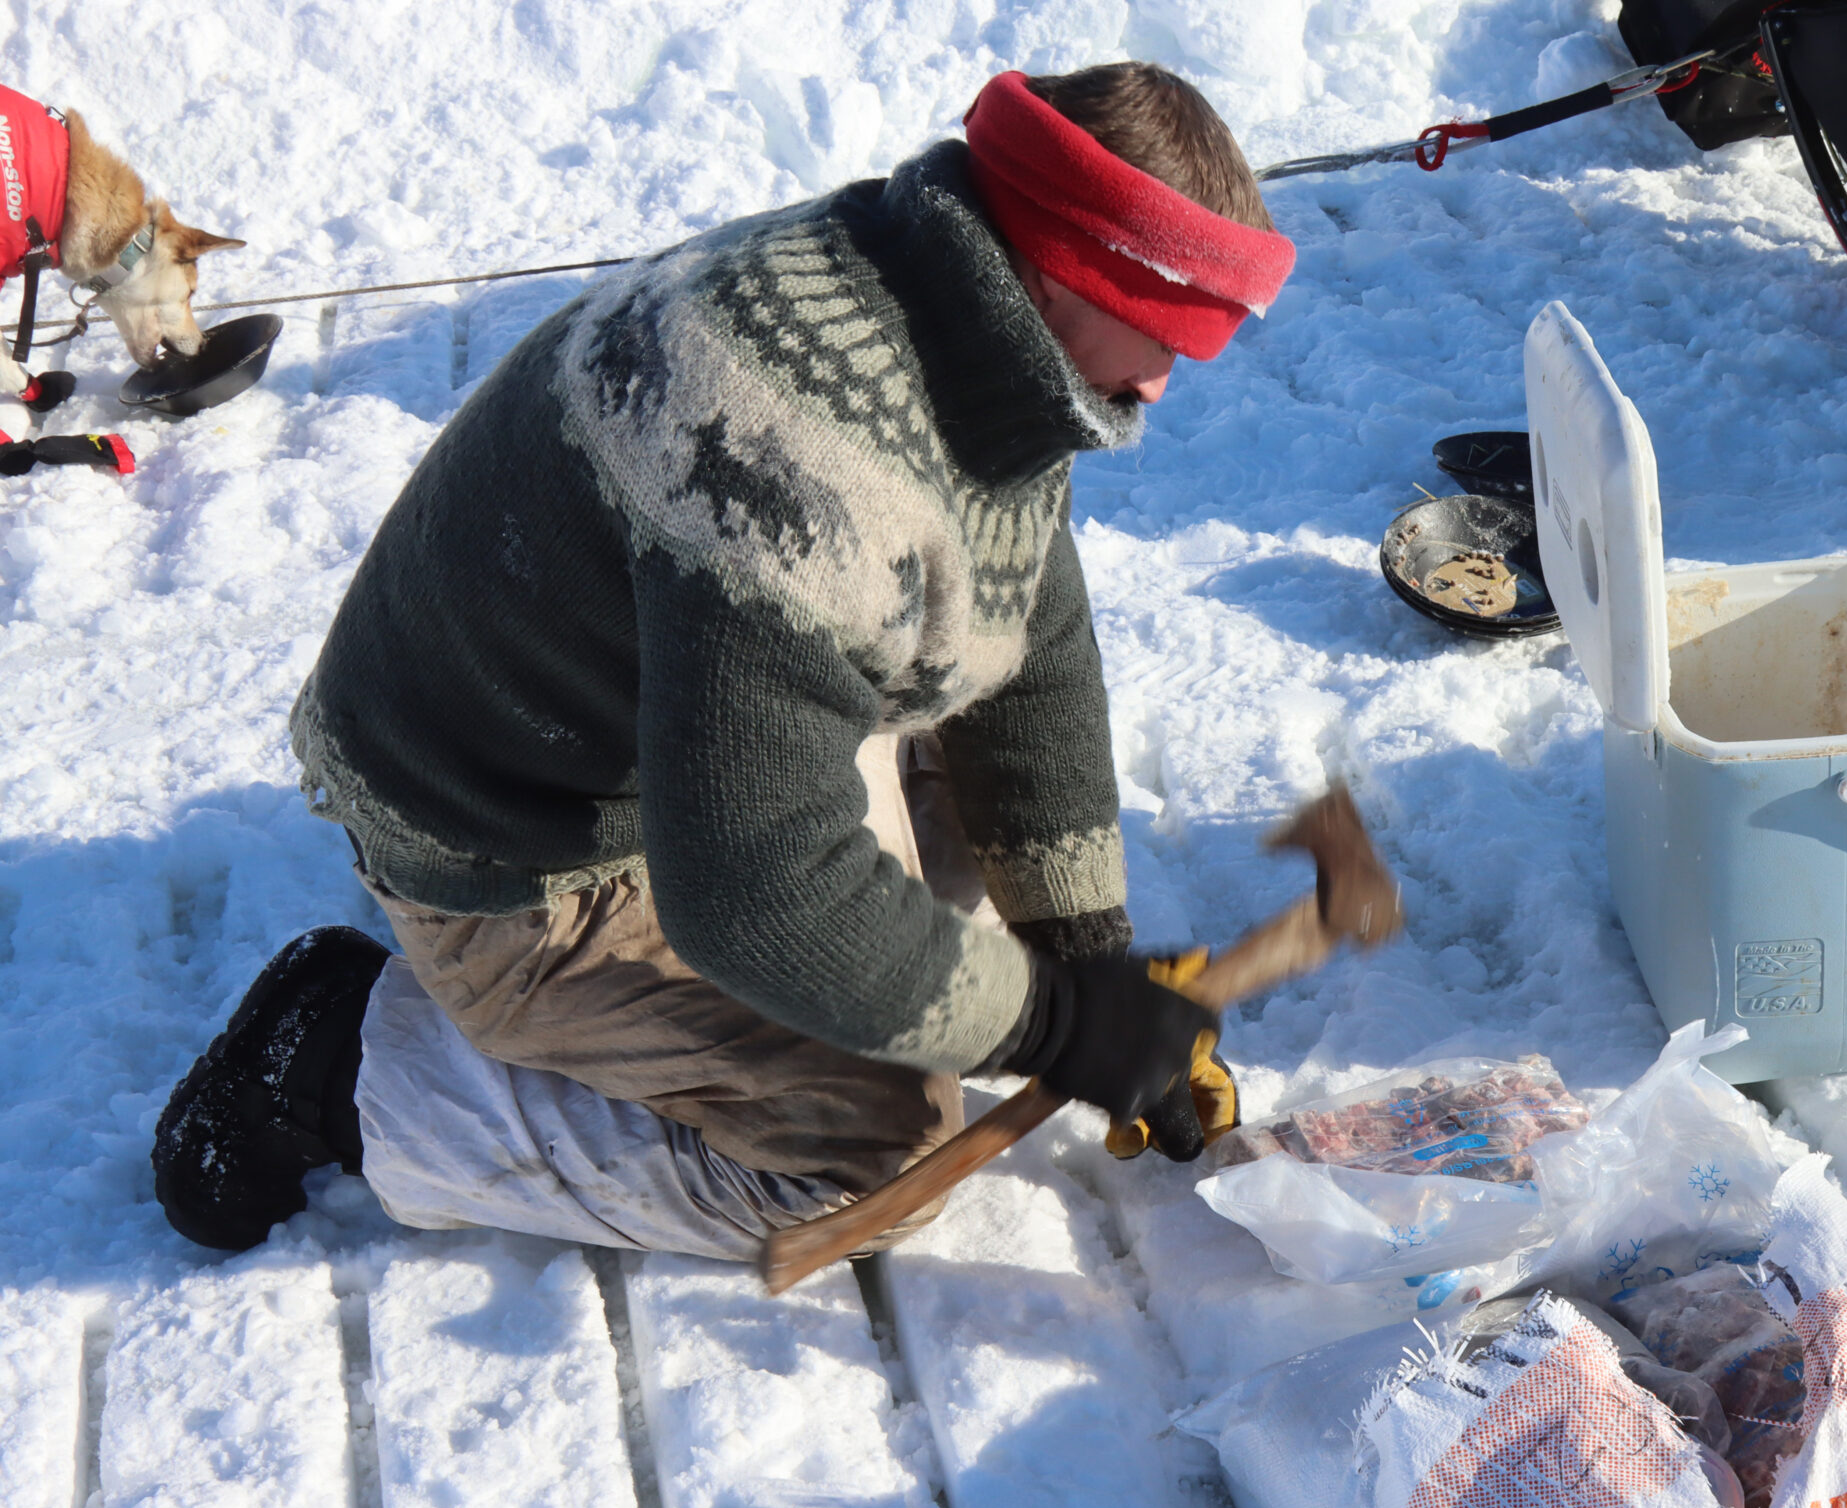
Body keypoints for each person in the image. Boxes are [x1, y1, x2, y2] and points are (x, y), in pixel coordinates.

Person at [150, 63, 1293, 1258]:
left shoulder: (951, 301)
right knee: (876, 1152)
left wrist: (1086, 961)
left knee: (958, 850)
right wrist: (1060, 1026)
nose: (1163, 383)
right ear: (1070, 264)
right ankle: (344, 1061)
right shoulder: (797, 459)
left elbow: (1027, 636)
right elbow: (754, 894)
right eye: (1164, 336)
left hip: (635, 710)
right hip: (508, 843)